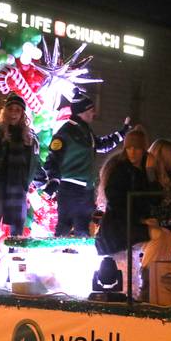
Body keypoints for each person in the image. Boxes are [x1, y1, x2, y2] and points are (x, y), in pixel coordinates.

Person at [0, 93, 45, 288]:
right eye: (11, 109)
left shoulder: (30, 138)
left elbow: (35, 165)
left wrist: (47, 183)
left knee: (16, 235)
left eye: (18, 110)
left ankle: (14, 276)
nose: (14, 113)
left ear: (23, 114)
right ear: (5, 111)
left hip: (18, 189)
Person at [96, 127, 171, 301]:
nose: (132, 152)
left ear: (144, 149)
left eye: (137, 148)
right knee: (159, 235)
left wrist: (150, 173)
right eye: (129, 148)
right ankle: (148, 285)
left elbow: (156, 199)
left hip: (134, 224)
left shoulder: (145, 169)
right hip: (118, 227)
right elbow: (116, 203)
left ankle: (157, 282)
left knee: (167, 236)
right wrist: (141, 219)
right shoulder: (120, 170)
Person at [43, 90, 130, 236]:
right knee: (64, 227)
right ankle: (56, 254)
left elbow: (101, 144)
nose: (94, 114)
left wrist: (122, 133)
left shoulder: (85, 130)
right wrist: (53, 180)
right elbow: (53, 158)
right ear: (80, 112)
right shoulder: (66, 132)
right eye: (91, 110)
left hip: (86, 190)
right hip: (70, 189)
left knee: (83, 229)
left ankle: (76, 256)